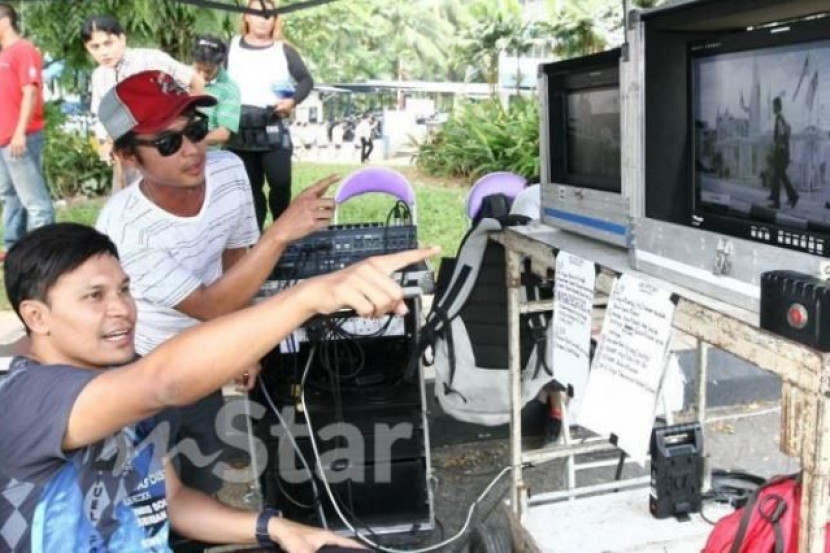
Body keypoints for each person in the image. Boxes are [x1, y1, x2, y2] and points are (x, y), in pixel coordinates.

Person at [0, 220, 434, 551]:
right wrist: (307, 297)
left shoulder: (116, 381)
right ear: (37, 316)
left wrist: (276, 528)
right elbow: (163, 382)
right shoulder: (27, 396)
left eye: (124, 290)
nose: (122, 310)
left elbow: (172, 501)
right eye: (94, 296)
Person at [94, 70, 338, 497]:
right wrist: (280, 234)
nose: (192, 150)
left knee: (205, 478)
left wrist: (241, 345)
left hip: (202, 353)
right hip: (144, 364)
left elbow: (235, 258)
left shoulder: (229, 171)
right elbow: (210, 305)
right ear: (129, 157)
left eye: (196, 130)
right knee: (152, 495)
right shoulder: (125, 229)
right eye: (168, 143)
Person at [82, 14, 204, 190]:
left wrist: (187, 125)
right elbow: (101, 118)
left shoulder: (150, 59)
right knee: (128, 201)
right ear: (87, 48)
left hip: (166, 149)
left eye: (108, 43)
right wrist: (104, 143)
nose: (103, 52)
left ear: (122, 39)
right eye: (95, 46)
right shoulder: (99, 76)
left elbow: (196, 82)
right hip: (129, 157)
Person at [226, 0, 314, 229]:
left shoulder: (283, 50)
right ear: (246, 16)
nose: (262, 20)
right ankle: (255, 239)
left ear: (275, 19)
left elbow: (306, 80)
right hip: (239, 128)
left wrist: (291, 101)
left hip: (273, 124)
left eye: (268, 15)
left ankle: (282, 231)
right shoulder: (230, 47)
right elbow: (212, 77)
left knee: (280, 182)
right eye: (257, 14)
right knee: (250, 188)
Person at [0, 3, 55, 255]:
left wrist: (20, 132)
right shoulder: (4, 54)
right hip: (3, 140)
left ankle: (42, 252)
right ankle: (13, 249)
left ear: (4, 21)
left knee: (35, 202)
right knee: (10, 196)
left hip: (21, 137)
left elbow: (30, 91)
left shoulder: (23, 50)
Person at [190, 34, 241, 149]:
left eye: (208, 71)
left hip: (209, 153)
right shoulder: (180, 78)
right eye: (198, 69)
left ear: (219, 64)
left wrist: (192, 143)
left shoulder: (230, 89)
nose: (202, 75)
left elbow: (223, 133)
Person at [769, 96, 799, 210]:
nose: (772, 108)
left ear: (777, 106)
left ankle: (779, 202)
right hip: (783, 152)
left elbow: (781, 136)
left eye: (773, 106)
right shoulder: (781, 118)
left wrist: (776, 148)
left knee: (778, 176)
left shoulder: (779, 119)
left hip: (781, 153)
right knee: (781, 176)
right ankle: (793, 197)